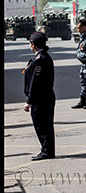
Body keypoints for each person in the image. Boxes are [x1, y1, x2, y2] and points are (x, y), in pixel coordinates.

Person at [23, 31, 56, 160]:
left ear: (33, 44)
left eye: (30, 43)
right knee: (44, 125)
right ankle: (47, 150)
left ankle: (47, 152)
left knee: (42, 125)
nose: (29, 45)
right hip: (43, 97)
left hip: (41, 98)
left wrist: (29, 100)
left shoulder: (41, 59)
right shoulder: (40, 57)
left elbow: (35, 82)